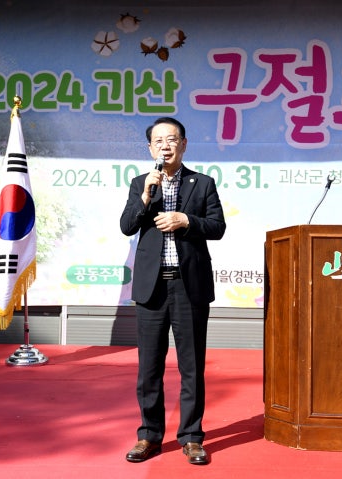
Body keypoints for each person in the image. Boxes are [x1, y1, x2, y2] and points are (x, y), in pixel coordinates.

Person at [119, 117, 226, 466]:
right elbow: (127, 226)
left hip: (188, 286)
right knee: (149, 367)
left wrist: (186, 221)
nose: (165, 146)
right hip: (152, 288)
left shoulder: (203, 183)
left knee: (191, 366)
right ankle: (149, 435)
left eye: (172, 139)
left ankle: (192, 437)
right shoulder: (140, 183)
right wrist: (145, 196)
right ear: (150, 148)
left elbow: (217, 227)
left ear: (183, 144)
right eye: (158, 141)